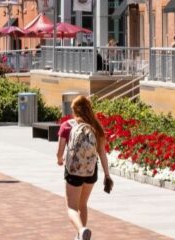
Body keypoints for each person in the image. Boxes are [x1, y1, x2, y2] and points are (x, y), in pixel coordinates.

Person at [56, 96, 112, 240]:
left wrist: (60, 160)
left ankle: (81, 230)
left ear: (74, 110)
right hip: (91, 172)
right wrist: (107, 175)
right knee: (83, 204)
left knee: (72, 207)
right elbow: (102, 153)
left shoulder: (67, 126)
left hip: (74, 172)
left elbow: (59, 152)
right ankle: (80, 236)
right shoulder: (96, 127)